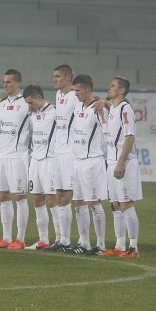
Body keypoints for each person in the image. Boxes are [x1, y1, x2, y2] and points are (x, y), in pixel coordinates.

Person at [0, 69, 31, 249]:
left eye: (8, 82)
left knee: (20, 197)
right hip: (2, 156)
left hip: (18, 156)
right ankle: (6, 238)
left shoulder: (26, 103)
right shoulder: (2, 104)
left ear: (18, 84)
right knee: (4, 196)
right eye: (4, 82)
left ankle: (20, 239)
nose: (5, 85)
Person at [67, 74, 108, 255]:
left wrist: (103, 103)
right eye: (74, 90)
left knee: (93, 202)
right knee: (78, 203)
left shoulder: (98, 109)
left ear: (88, 89)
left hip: (92, 161)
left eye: (79, 90)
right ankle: (83, 243)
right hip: (77, 161)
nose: (76, 94)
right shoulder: (77, 107)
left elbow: (107, 132)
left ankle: (100, 245)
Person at [101, 77, 141, 258]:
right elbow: (111, 108)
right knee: (115, 205)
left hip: (123, 163)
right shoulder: (115, 108)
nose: (109, 87)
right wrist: (105, 103)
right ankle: (119, 244)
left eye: (113, 86)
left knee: (126, 204)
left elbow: (129, 137)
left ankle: (133, 248)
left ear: (122, 91)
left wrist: (120, 163)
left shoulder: (126, 109)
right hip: (112, 163)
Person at [18, 84, 57, 250]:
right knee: (37, 199)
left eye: (31, 102)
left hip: (50, 160)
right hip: (35, 160)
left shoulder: (56, 111)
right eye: (27, 103)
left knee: (52, 200)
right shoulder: (32, 114)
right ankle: (43, 239)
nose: (29, 106)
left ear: (39, 97)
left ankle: (60, 239)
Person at [48, 64, 77, 250]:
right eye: (54, 76)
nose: (54, 79)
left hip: (70, 153)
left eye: (58, 76)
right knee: (58, 195)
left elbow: (93, 101)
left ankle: (66, 240)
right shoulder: (59, 96)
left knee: (66, 197)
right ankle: (60, 239)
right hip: (57, 152)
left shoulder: (76, 95)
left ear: (68, 78)